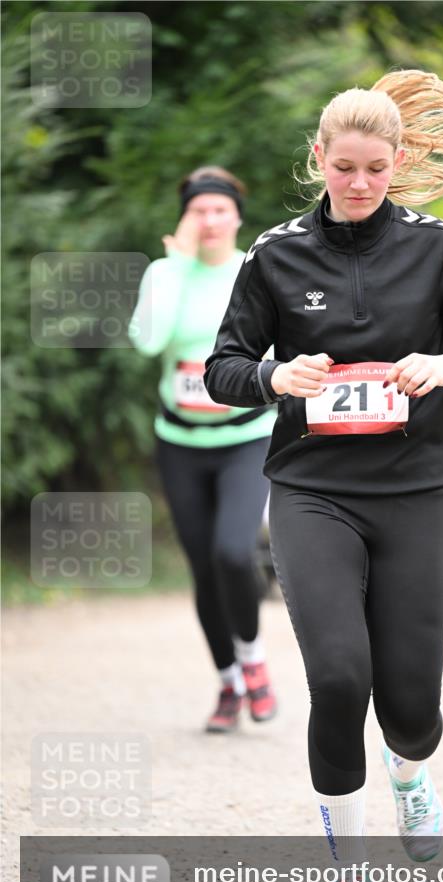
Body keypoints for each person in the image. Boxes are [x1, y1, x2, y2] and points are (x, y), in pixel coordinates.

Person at [204, 70, 443, 882]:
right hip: (312, 492)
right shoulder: (273, 255)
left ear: (399, 162)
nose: (358, 185)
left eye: (375, 169)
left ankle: (411, 776)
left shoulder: (439, 249)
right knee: (340, 679)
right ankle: (347, 865)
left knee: (410, 705)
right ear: (318, 158)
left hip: (416, 493)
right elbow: (223, 369)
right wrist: (276, 375)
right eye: (343, 167)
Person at [129, 166, 278, 733]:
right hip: (181, 444)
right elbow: (149, 341)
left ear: (238, 216)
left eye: (220, 209)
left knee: (234, 554)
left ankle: (254, 658)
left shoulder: (256, 270)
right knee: (203, 570)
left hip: (246, 438)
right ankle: (227, 684)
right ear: (186, 218)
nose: (210, 219)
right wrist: (175, 266)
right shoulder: (166, 273)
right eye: (199, 210)